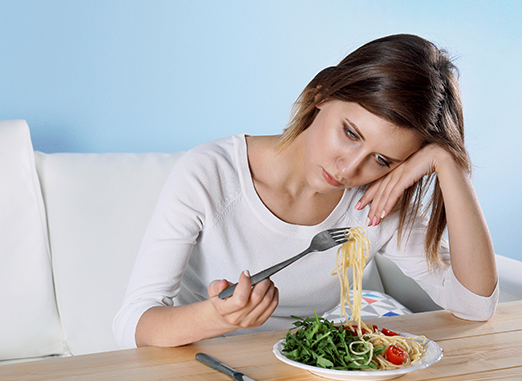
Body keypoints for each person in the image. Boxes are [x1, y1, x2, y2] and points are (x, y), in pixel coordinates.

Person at [113, 34, 498, 349]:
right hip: (202, 364)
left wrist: (449, 163)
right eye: (350, 133)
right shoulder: (211, 173)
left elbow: (475, 304)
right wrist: (217, 316)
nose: (350, 169)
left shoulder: (375, 200)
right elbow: (134, 323)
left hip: (309, 374)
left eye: (381, 159)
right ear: (322, 94)